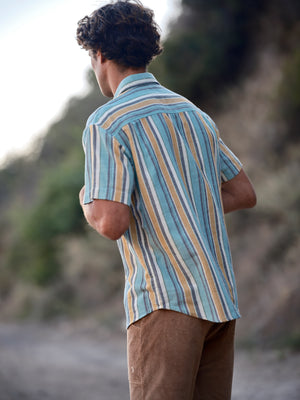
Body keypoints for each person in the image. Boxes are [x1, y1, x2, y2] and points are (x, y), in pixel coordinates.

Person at [76, 1, 256, 399]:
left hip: (165, 301)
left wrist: (88, 198)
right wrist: (185, 203)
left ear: (100, 55)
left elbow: (111, 222)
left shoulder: (107, 122)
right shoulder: (194, 115)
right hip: (219, 301)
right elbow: (243, 193)